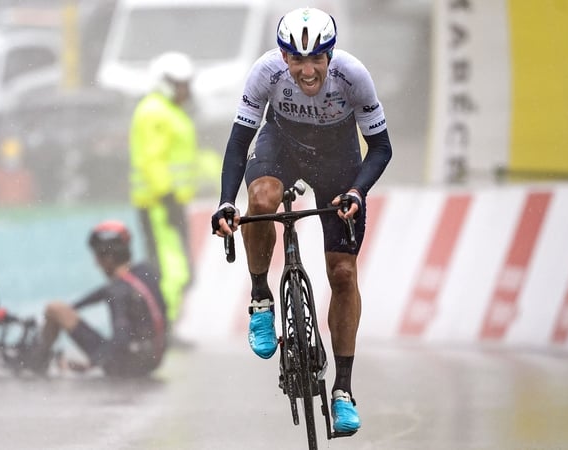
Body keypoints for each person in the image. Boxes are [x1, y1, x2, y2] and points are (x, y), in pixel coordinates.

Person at [210, 7, 392, 434]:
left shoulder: (353, 76)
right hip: (283, 144)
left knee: (343, 273)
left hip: (337, 156)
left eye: (317, 60)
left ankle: (343, 391)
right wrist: (224, 202)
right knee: (261, 197)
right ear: (283, 56)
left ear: (331, 55)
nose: (307, 71)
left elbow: (381, 148)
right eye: (297, 60)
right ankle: (260, 299)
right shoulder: (265, 73)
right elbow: (239, 144)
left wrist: (356, 191)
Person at [28, 220, 167, 378]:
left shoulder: (117, 292)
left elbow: (121, 337)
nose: (96, 263)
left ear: (108, 258)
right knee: (62, 310)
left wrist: (91, 364)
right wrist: (75, 306)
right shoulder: (144, 271)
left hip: (127, 366)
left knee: (54, 308)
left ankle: (34, 363)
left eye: (97, 257)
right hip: (153, 359)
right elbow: (103, 293)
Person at [128, 51, 199, 328]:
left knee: (174, 267)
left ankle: (165, 325)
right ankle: (163, 327)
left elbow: (181, 157)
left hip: (168, 201)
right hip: (159, 204)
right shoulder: (155, 112)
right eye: (182, 85)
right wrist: (167, 195)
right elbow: (151, 159)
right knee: (171, 269)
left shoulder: (168, 111)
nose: (187, 91)